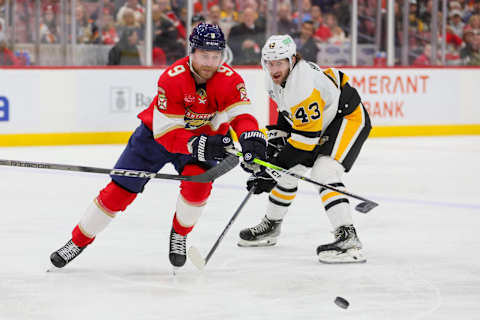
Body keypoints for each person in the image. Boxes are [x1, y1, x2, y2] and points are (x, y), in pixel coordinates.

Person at [50, 23, 267, 269]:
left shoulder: (230, 80)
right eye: (204, 55)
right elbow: (167, 135)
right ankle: (77, 241)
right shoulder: (172, 78)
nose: (210, 62)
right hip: (155, 139)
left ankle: (180, 235)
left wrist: (251, 139)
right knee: (119, 191)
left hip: (203, 142)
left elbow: (243, 116)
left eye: (215, 56)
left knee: (198, 188)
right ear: (192, 52)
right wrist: (200, 144)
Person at [238, 35, 371, 264]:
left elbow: (304, 142)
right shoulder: (274, 79)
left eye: (279, 62)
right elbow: (286, 114)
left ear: (291, 60)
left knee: (324, 172)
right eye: (269, 62)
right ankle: (271, 226)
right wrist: (272, 157)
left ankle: (348, 237)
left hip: (345, 117)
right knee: (286, 173)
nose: (273, 68)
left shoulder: (304, 85)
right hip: (319, 122)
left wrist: (271, 172)